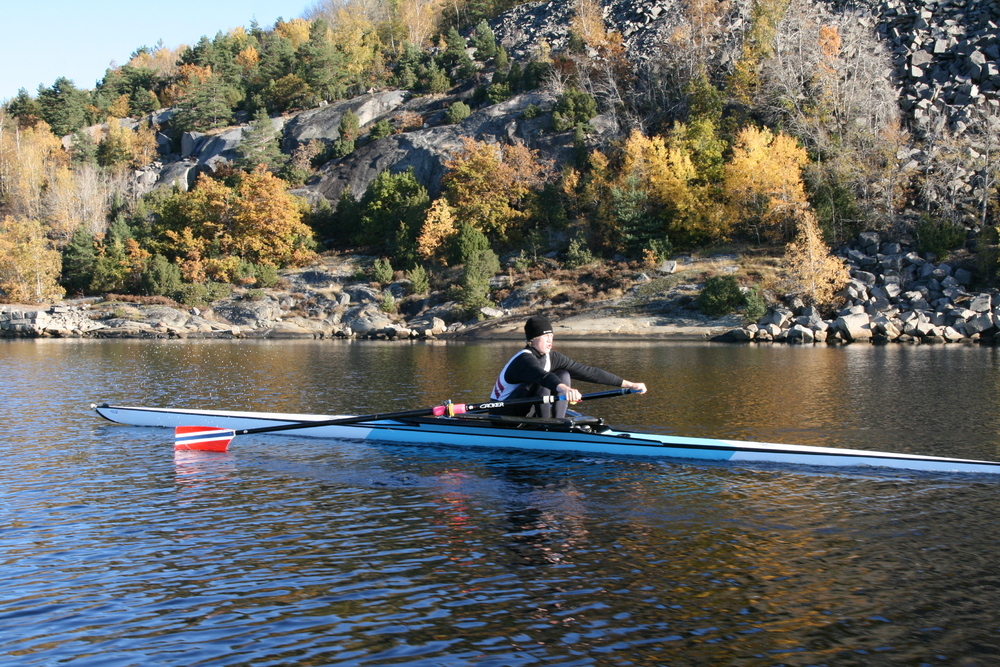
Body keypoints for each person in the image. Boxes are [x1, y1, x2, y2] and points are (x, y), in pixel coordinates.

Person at [489, 315, 647, 418]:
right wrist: (565, 389)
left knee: (564, 373)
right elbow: (543, 376)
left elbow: (588, 372)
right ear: (532, 340)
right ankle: (547, 427)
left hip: (525, 408)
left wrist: (629, 384)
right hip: (502, 412)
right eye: (545, 337)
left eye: (551, 336)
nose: (550, 341)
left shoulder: (553, 357)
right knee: (544, 381)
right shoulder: (523, 360)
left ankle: (558, 422)